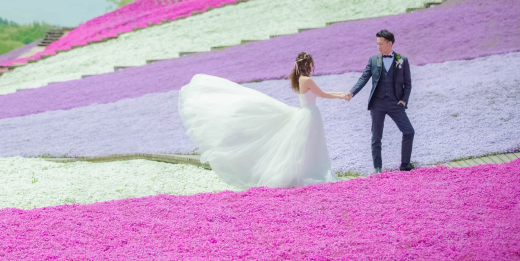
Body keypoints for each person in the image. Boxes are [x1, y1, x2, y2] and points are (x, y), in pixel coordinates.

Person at [178, 52, 345, 189]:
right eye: (310, 64)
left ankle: (300, 173)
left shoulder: (299, 79)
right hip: (309, 115)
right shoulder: (307, 80)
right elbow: (322, 94)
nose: (312, 66)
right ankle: (306, 174)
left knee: (304, 147)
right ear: (306, 65)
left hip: (306, 113)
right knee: (308, 147)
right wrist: (342, 95)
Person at [346, 29, 415, 173]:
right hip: (377, 104)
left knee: (408, 131)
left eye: (380, 44)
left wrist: (403, 100)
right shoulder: (373, 60)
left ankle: (405, 164)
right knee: (376, 137)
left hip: (396, 103)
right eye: (377, 44)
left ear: (389, 43)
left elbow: (408, 83)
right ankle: (378, 168)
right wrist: (352, 92)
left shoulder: (402, 59)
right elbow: (364, 78)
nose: (378, 46)